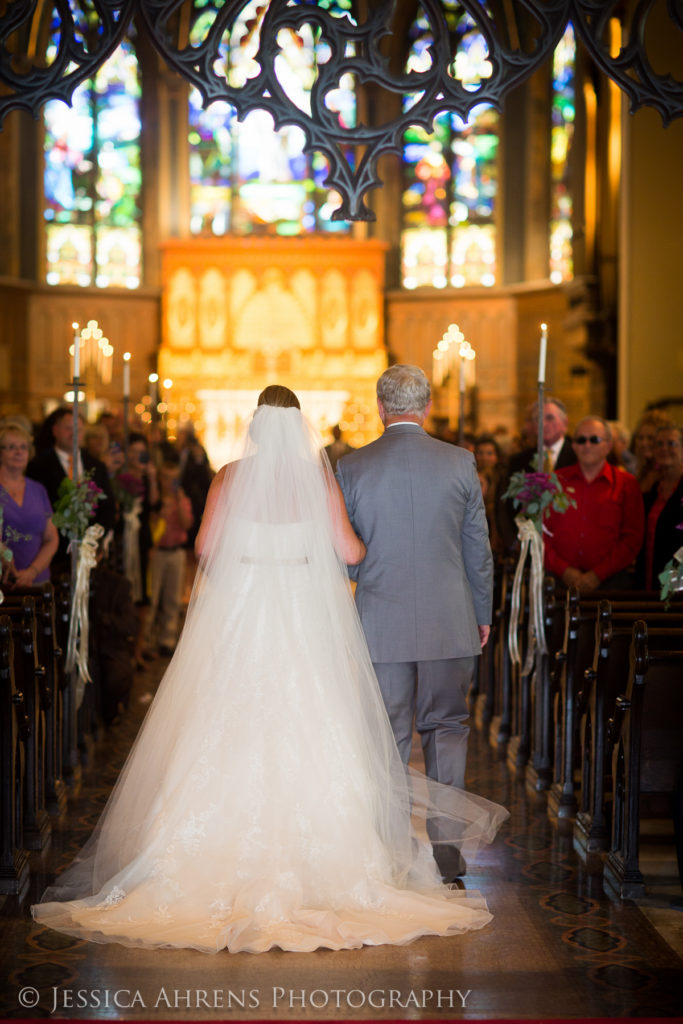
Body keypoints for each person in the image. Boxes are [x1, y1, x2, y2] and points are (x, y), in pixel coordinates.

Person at [32, 384, 507, 953]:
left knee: (229, 726)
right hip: (305, 621)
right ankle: (334, 865)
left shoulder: (229, 477)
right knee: (313, 726)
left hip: (242, 617)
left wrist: (251, 552)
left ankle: (204, 860)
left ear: (254, 426)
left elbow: (206, 547)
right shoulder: (319, 480)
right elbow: (352, 553)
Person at [335, 365, 494, 881]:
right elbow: (478, 549)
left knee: (388, 736)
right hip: (452, 621)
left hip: (381, 621)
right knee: (447, 729)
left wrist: (371, 570)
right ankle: (448, 849)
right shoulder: (460, 462)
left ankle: (389, 850)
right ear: (425, 407)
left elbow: (348, 556)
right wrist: (482, 614)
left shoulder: (354, 467)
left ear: (381, 408)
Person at [543, 416, 645, 592]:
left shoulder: (626, 484)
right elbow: (541, 533)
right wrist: (564, 570)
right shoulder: (555, 481)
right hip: (559, 581)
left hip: (610, 582)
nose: (587, 445)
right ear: (573, 446)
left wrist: (598, 574)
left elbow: (632, 538)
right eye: (581, 440)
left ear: (608, 445)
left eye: (594, 440)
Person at [26, 407, 116, 574]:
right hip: (53, 554)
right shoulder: (38, 466)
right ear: (55, 430)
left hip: (90, 552)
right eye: (68, 428)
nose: (73, 433)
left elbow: (108, 507)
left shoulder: (96, 466)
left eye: (78, 429)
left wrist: (95, 539)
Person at [496, 397, 577, 552]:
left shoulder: (578, 458)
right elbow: (506, 506)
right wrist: (516, 541)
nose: (543, 423)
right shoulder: (518, 462)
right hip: (529, 548)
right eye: (537, 419)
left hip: (569, 546)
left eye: (549, 418)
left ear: (564, 423)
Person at [144, 451, 193, 657]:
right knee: (152, 598)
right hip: (157, 553)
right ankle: (145, 641)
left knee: (172, 599)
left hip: (176, 552)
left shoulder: (183, 500)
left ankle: (168, 639)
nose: (169, 482)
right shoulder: (153, 499)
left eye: (173, 478)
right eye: (165, 477)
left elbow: (187, 524)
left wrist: (179, 501)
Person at [0, 420, 59, 587]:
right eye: (11, 447)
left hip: (38, 581)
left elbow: (51, 538)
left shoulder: (38, 489)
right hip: (4, 583)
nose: (19, 452)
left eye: (24, 447)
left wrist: (32, 571)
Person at [637, 423, 683, 590]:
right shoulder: (652, 491)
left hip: (677, 585)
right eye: (659, 444)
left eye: (671, 443)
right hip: (651, 578)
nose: (664, 449)